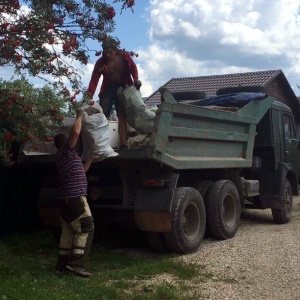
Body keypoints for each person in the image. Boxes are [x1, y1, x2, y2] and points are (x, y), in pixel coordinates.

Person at [54, 109, 94, 277]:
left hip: (65, 199)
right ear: (65, 144)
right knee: (86, 227)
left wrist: (91, 158)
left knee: (69, 231)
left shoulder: (68, 158)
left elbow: (81, 171)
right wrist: (80, 115)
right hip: (75, 198)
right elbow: (76, 131)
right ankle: (77, 264)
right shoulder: (66, 152)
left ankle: (62, 264)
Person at [87, 37, 141, 149]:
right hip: (108, 88)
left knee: (122, 115)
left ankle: (123, 143)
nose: (107, 54)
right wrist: (89, 95)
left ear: (115, 50)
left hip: (123, 88)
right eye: (105, 52)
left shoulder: (125, 57)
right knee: (103, 115)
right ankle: (103, 143)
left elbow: (134, 68)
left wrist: (136, 80)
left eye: (110, 52)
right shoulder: (101, 62)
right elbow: (94, 79)